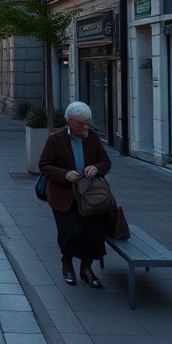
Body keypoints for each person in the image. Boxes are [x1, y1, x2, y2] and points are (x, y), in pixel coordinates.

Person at [38, 101, 111, 289]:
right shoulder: (56, 139)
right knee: (72, 232)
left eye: (87, 123)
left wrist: (96, 167)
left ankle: (86, 268)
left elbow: (105, 161)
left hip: (89, 196)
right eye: (81, 123)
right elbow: (44, 165)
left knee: (94, 233)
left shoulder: (92, 137)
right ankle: (67, 262)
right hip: (64, 195)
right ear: (69, 121)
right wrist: (64, 174)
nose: (85, 127)